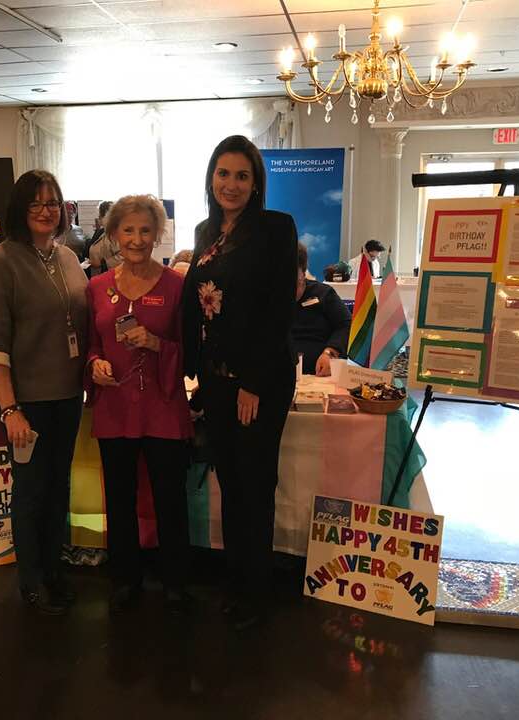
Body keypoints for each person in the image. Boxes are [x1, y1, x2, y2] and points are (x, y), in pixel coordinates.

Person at [182, 135, 298, 630]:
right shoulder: (205, 230)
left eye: (242, 176)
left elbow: (276, 312)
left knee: (255, 485)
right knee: (230, 483)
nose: (231, 184)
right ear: (212, 178)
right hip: (214, 381)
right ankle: (236, 580)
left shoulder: (275, 229)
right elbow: (197, 307)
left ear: (256, 184)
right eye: (223, 174)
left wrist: (253, 380)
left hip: (259, 381)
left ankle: (256, 590)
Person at [0, 170, 88, 615]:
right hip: (27, 403)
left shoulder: (66, 257)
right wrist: (10, 410)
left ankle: (54, 568)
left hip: (67, 396)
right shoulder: (0, 263)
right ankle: (31, 579)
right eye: (36, 204)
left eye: (53, 203)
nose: (46, 211)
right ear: (20, 210)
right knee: (30, 491)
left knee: (58, 487)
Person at [86, 195, 193, 615]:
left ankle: (176, 581)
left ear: (158, 235)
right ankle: (124, 578)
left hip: (164, 408)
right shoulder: (96, 287)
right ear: (113, 235)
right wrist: (94, 365)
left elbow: (191, 350)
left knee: (171, 499)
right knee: (119, 497)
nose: (136, 239)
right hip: (115, 409)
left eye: (145, 230)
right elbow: (91, 344)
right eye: (128, 230)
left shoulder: (177, 286)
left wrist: (157, 344)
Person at [293, 244, 352, 376]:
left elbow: (346, 324)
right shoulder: (269, 298)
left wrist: (330, 353)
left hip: (320, 373)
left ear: (303, 272)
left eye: (295, 283)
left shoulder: (324, 293)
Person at [85, 200, 114, 277]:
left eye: (100, 216)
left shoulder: (116, 235)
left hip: (109, 281)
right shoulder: (103, 232)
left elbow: (122, 259)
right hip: (98, 277)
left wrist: (102, 264)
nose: (98, 218)